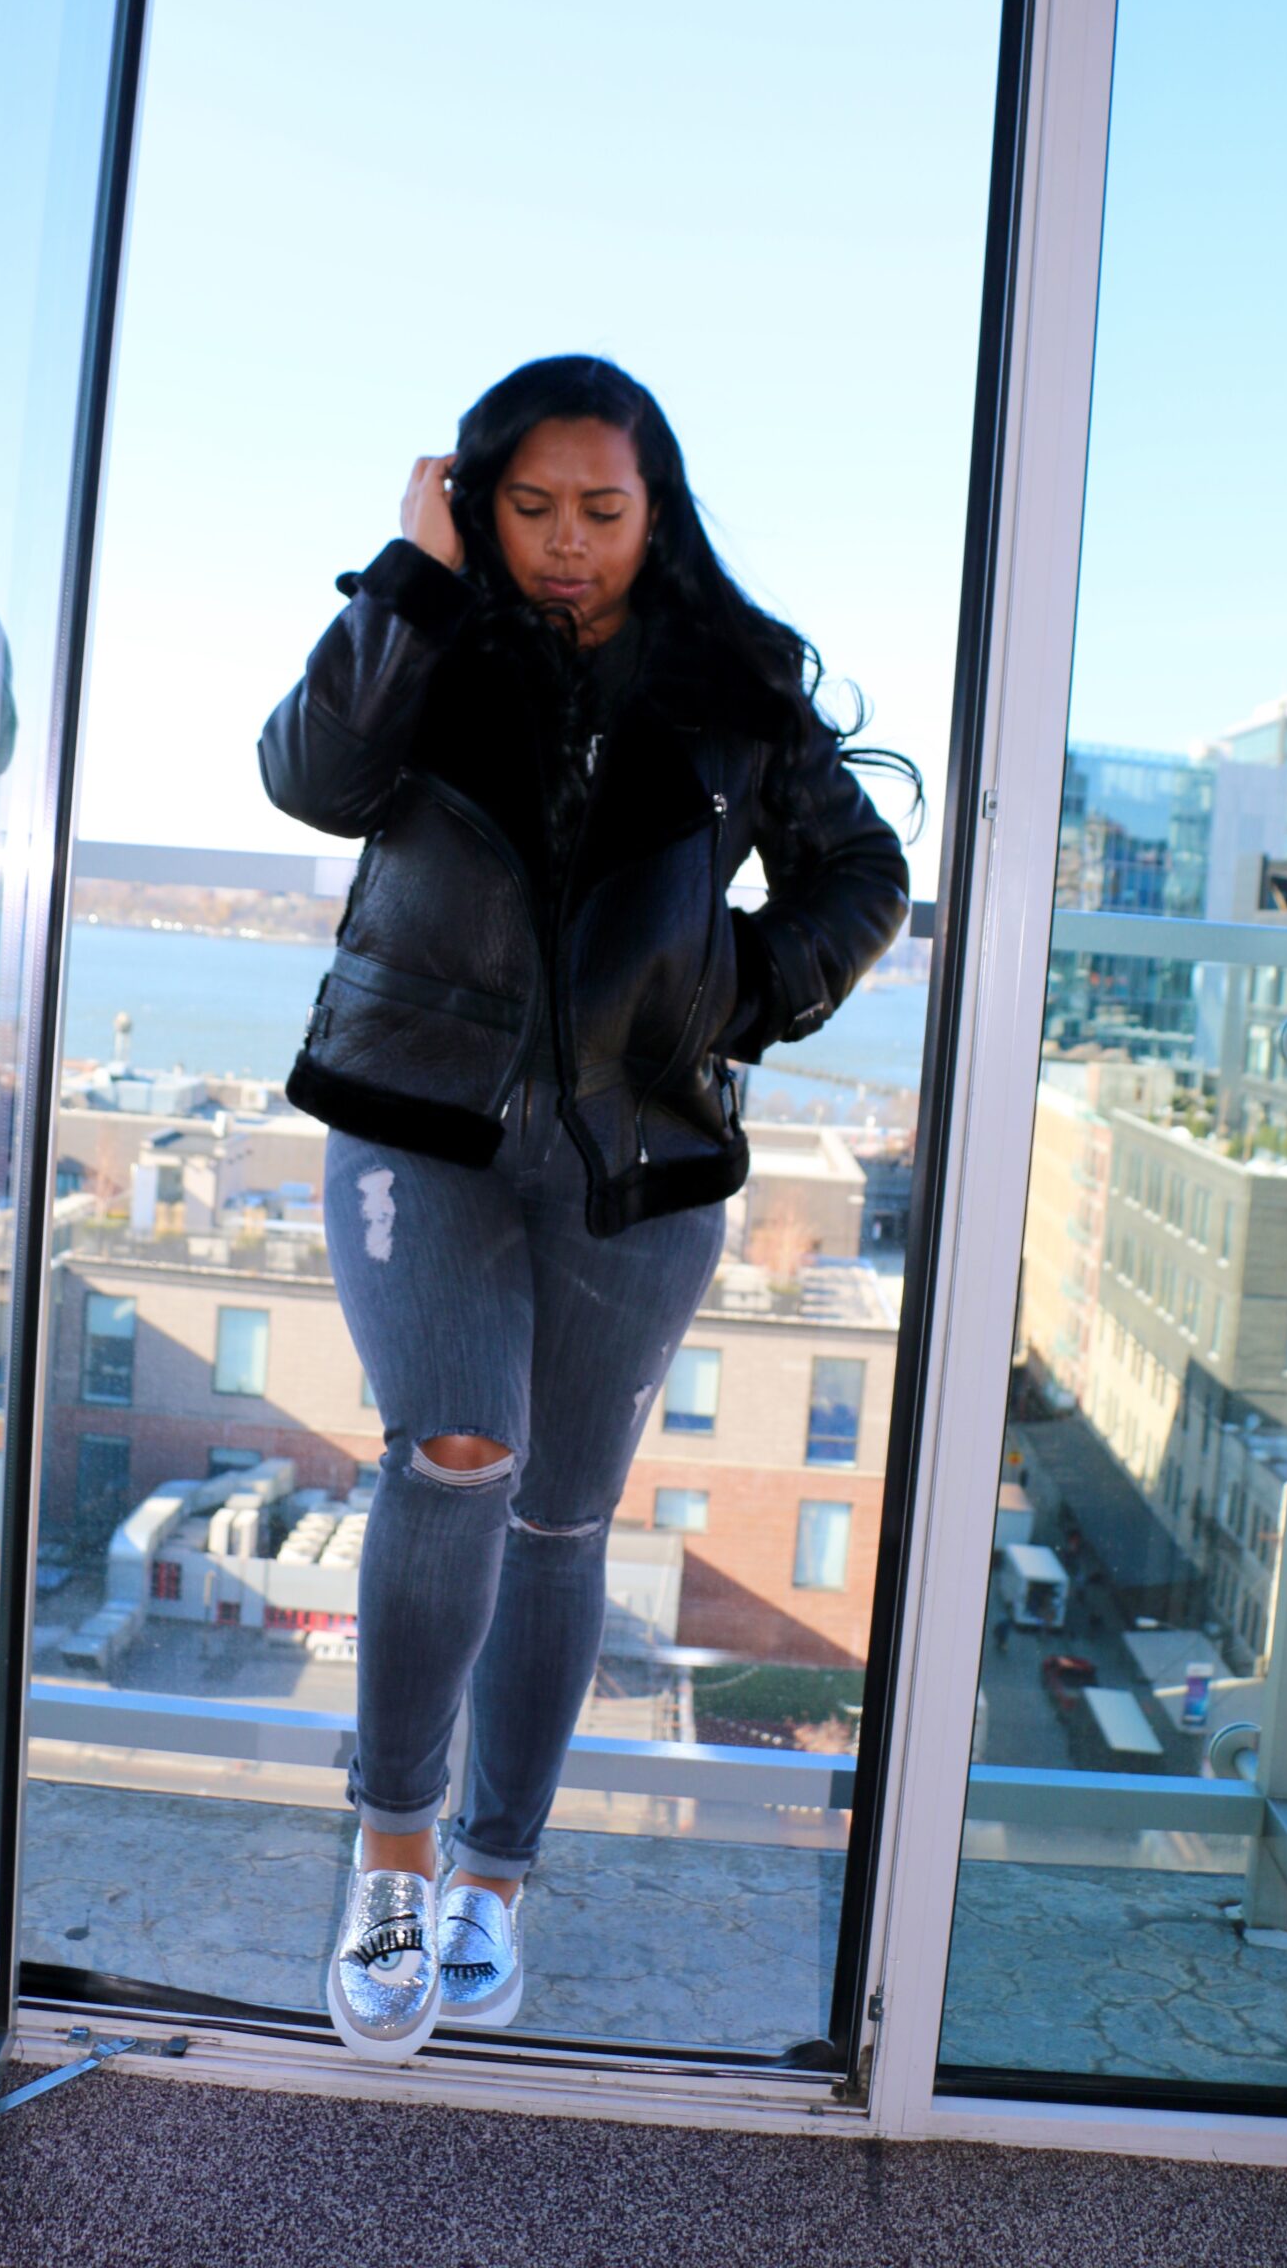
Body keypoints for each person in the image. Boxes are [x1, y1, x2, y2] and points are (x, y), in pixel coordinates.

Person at [258, 353, 919, 2060]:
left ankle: (496, 1873)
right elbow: (308, 781)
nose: (566, 542)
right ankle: (392, 1853)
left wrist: (734, 990)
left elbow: (865, 873)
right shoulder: (424, 639)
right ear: (476, 504)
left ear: (655, 511)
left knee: (561, 1518)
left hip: (641, 1154)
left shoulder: (731, 684)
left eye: (602, 511)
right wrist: (411, 578)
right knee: (455, 1455)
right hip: (419, 1123)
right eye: (531, 507)